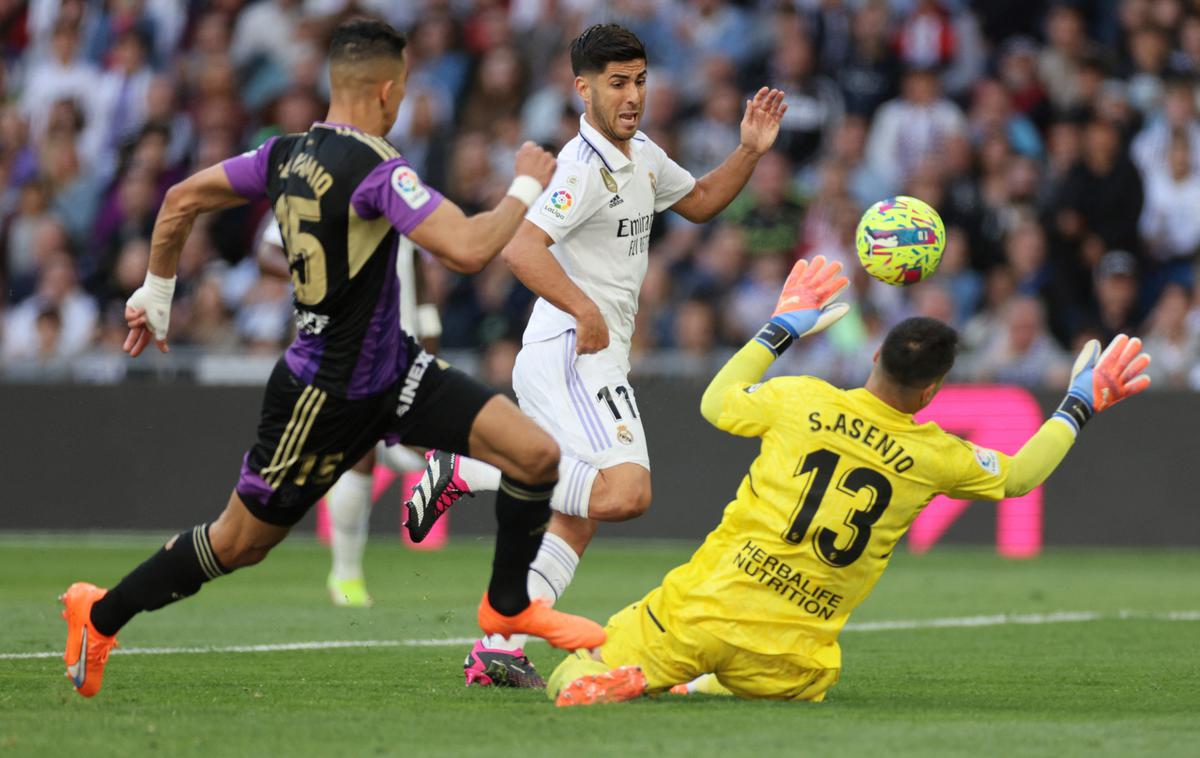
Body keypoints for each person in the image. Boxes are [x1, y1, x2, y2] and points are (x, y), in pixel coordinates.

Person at [58, 18, 604, 699]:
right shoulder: (378, 169)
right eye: (402, 89)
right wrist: (524, 185)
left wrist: (157, 291)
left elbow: (179, 200)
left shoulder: (282, 155)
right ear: (383, 90)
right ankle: (100, 614)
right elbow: (465, 248)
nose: (402, 101)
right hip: (323, 395)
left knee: (534, 456)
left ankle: (507, 607)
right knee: (239, 544)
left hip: (395, 374)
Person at [546, 255, 1151, 706]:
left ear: (873, 359)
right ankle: (692, 683)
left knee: (577, 664)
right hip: (793, 659)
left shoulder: (800, 400)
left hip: (701, 612)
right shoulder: (934, 455)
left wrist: (782, 326)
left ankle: (607, 678)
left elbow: (716, 402)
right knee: (759, 684)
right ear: (933, 391)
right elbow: (1020, 476)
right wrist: (1079, 404)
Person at [403, 23, 788, 688]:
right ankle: (475, 467)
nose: (633, 94)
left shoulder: (639, 154)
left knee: (576, 521)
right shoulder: (580, 168)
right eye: (617, 83)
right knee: (625, 493)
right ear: (582, 88)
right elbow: (522, 248)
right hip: (570, 352)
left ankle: (497, 643)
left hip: (591, 354)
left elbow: (698, 201)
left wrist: (749, 151)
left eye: (640, 80)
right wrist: (584, 310)